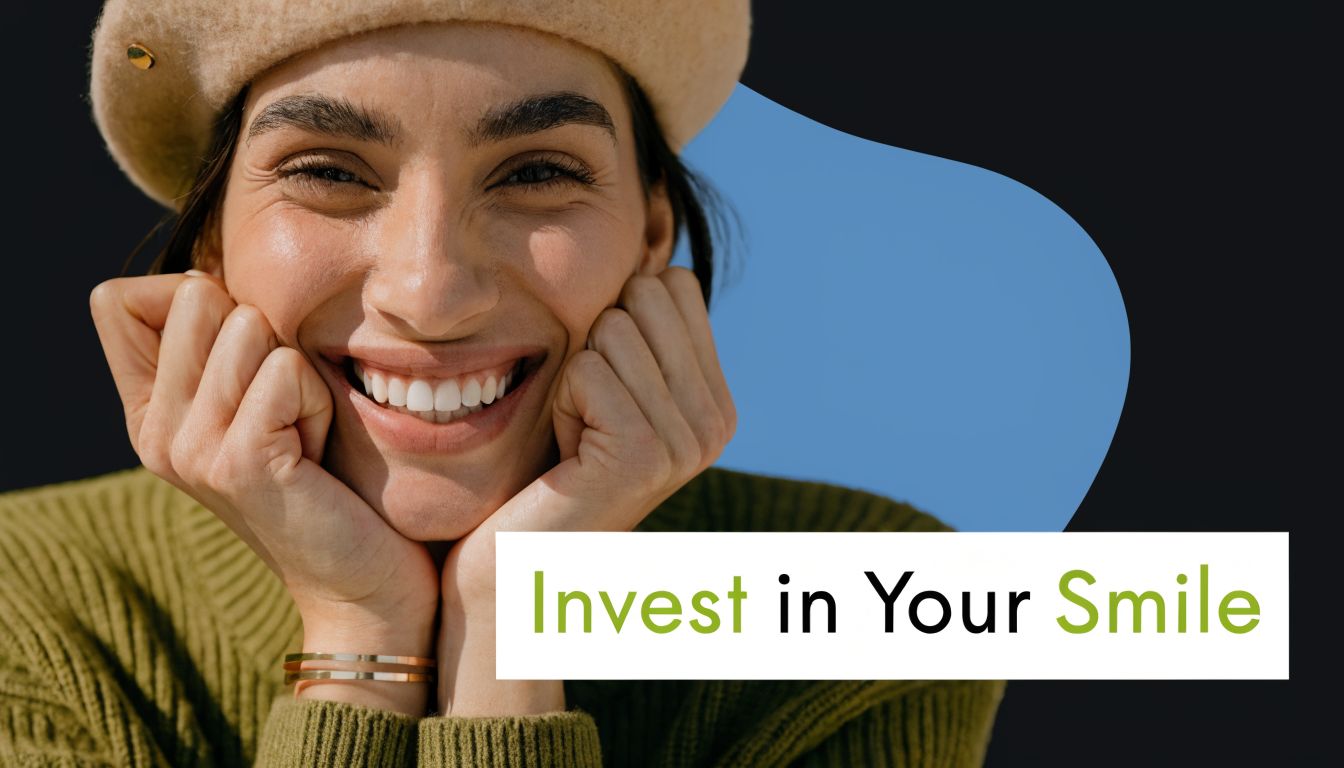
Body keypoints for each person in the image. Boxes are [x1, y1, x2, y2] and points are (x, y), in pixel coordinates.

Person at [0, 1, 1005, 765]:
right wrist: (358, 635)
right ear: (214, 240)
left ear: (651, 235)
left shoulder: (874, 600)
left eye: (535, 173)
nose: (431, 293)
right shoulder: (25, 598)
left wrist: (515, 632)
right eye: (328, 171)